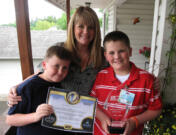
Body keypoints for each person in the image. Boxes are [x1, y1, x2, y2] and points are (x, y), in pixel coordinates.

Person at [7, 6, 160, 135]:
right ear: (73, 28)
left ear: (96, 30)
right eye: (81, 26)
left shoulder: (103, 55)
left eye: (91, 27)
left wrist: (150, 80)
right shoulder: (61, 49)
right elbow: (42, 73)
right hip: (59, 117)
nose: (85, 31)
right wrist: (17, 88)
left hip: (88, 120)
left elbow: (123, 67)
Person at [90, 31, 162, 135]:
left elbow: (156, 109)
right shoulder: (101, 76)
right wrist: (102, 117)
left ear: (130, 51)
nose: (117, 56)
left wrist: (134, 121)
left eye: (121, 51)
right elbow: (92, 102)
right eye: (111, 53)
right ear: (105, 55)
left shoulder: (147, 80)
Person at [6, 44, 72, 135]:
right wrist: (35, 116)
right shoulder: (27, 87)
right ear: (44, 65)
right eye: (56, 66)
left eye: (65, 68)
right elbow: (10, 119)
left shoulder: (63, 84)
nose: (60, 72)